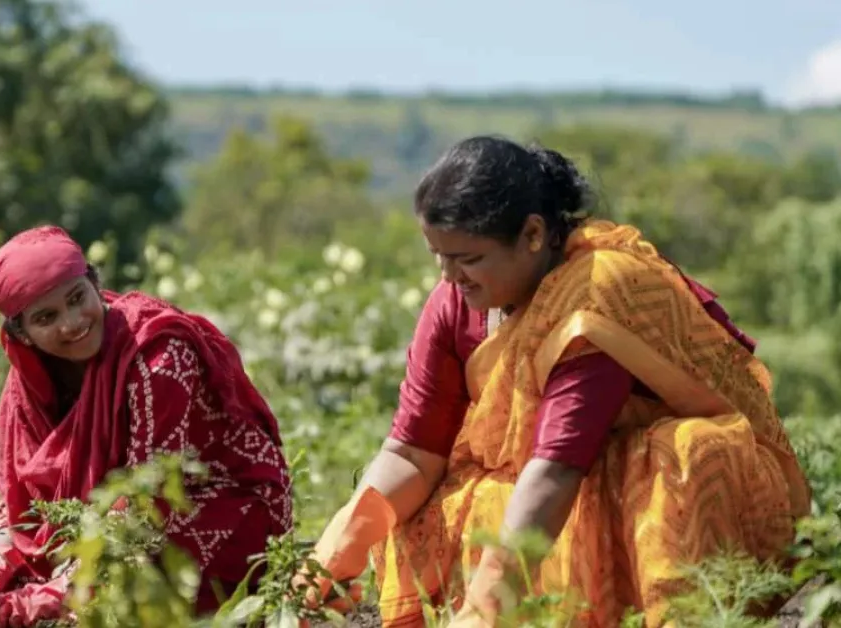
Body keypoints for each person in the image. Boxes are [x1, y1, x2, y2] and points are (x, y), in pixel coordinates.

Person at [304, 136, 812, 627]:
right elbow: (415, 452)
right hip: (547, 486)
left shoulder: (595, 294)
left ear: (532, 235)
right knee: (433, 506)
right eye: (439, 256)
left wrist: (486, 609)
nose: (450, 277)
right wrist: (339, 546)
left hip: (626, 489)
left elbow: (557, 468)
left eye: (469, 259)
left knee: (687, 453)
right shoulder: (454, 303)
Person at [0, 225, 293, 627]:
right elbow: (20, 498)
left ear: (95, 284)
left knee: (113, 597)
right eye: (46, 317)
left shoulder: (158, 357)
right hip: (110, 522)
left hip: (216, 506)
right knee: (13, 588)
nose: (72, 323)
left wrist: (60, 590)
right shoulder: (29, 381)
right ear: (22, 334)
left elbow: (148, 501)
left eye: (77, 298)